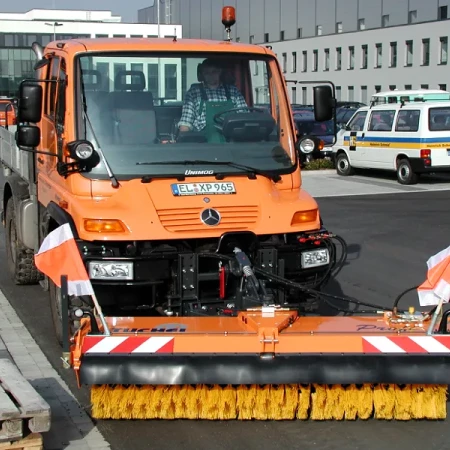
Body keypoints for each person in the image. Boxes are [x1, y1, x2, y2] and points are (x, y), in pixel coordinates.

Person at [178, 58, 247, 142]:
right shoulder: (194, 92)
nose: (211, 75)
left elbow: (244, 116)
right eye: (207, 73)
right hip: (203, 144)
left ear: (219, 72)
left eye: (214, 72)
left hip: (231, 141)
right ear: (202, 74)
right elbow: (186, 123)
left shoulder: (233, 91)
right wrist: (184, 142)